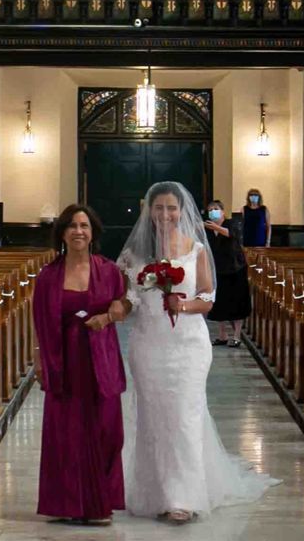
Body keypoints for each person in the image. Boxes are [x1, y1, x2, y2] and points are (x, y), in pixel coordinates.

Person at [115, 182, 275, 523]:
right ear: (149, 211)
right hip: (148, 344)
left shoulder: (196, 248)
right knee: (152, 416)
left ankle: (183, 497)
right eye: (158, 208)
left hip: (187, 345)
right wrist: (113, 311)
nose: (165, 215)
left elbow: (207, 296)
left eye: (171, 208)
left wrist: (183, 306)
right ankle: (153, 490)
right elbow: (128, 298)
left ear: (182, 211)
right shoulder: (134, 254)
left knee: (185, 414)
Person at [32, 204, 128, 524]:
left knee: (106, 430)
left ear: (93, 233)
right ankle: (67, 503)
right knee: (66, 432)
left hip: (100, 357)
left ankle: (101, 502)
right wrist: (40, 360)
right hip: (64, 360)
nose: (78, 231)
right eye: (72, 226)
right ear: (62, 232)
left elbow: (125, 304)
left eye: (84, 226)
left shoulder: (109, 270)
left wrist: (111, 315)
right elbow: (40, 322)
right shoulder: (47, 277)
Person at [203, 199, 250, 346]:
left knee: (237, 302)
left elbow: (232, 234)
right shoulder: (208, 229)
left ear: (223, 211)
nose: (213, 212)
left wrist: (217, 228)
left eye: (216, 209)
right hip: (218, 270)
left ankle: (236, 336)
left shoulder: (231, 223)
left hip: (235, 269)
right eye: (210, 210)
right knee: (220, 303)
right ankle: (222, 335)